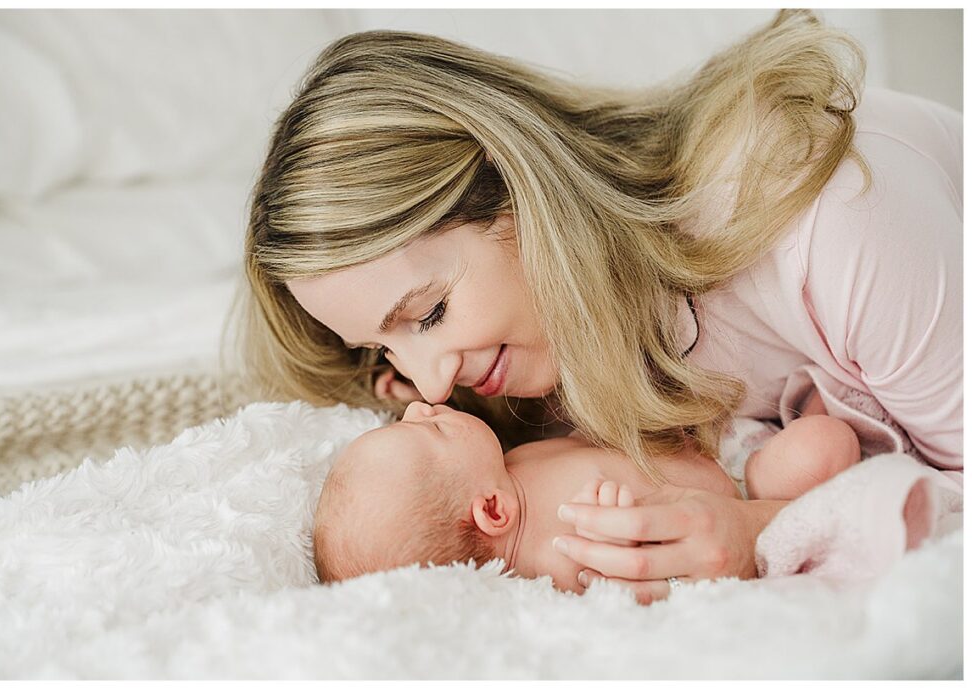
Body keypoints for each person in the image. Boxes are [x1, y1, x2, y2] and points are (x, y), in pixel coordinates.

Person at [240, 9, 962, 602]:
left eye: (429, 313)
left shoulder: (829, 216)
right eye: (384, 348)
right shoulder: (530, 385)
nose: (432, 388)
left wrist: (760, 530)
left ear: (524, 188)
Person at [313, 398, 862, 600]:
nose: (418, 409)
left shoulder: (504, 469)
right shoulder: (564, 551)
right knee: (823, 445)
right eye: (429, 430)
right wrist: (624, 526)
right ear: (492, 512)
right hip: (741, 494)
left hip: (715, 443)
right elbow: (637, 581)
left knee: (813, 432)